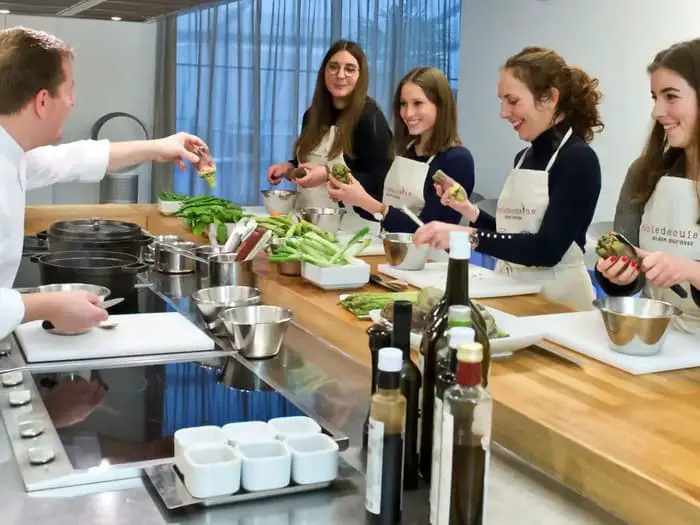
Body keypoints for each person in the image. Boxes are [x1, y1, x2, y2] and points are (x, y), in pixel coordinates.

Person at [0, 26, 214, 339]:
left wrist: (159, 147)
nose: (73, 102)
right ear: (43, 101)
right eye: (69, 89)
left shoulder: (12, 155)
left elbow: (73, 159)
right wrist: (47, 304)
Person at [414, 46, 604, 311]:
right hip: (513, 290)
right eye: (501, 100)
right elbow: (513, 236)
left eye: (512, 101)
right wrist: (469, 210)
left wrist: (467, 236)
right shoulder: (524, 157)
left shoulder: (578, 160)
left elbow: (546, 249)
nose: (503, 112)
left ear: (549, 98)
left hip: (558, 304)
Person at [596, 38, 700, 329]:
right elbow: (629, 274)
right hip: (655, 335)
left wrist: (691, 270)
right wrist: (616, 274)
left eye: (671, 96)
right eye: (655, 97)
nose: (656, 111)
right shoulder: (643, 172)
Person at [327, 66, 474, 232]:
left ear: (441, 106)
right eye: (403, 104)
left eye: (418, 103)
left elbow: (430, 229)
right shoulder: (406, 151)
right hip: (392, 249)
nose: (408, 113)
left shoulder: (457, 160)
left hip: (432, 257)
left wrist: (364, 201)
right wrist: (349, 196)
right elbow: (386, 209)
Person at [266, 40, 393, 229]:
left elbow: (379, 178)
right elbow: (311, 161)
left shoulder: (370, 118)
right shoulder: (312, 115)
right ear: (324, 72)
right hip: (308, 217)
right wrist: (289, 167)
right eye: (333, 67)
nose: (340, 75)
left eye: (349, 69)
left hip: (351, 226)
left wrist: (328, 175)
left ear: (360, 76)